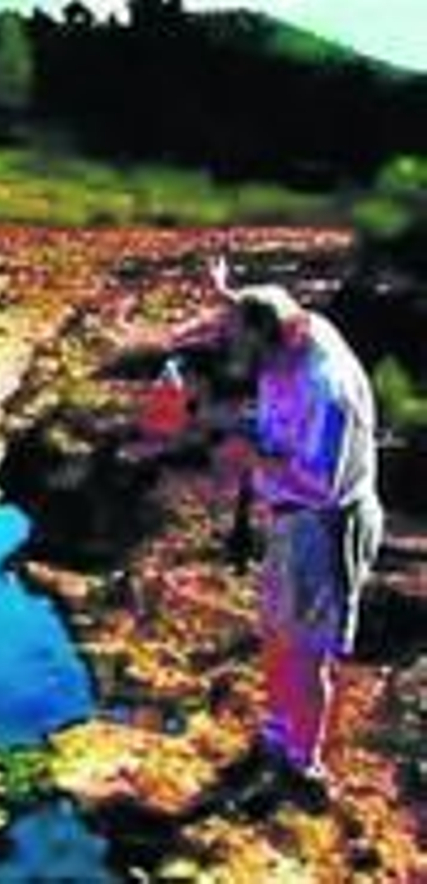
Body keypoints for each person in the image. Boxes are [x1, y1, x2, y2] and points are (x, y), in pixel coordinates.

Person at [210, 257, 384, 807]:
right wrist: (225, 293)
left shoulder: (325, 389)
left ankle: (302, 765)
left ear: (283, 337)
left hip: (323, 528)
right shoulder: (290, 328)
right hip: (291, 523)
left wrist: (250, 455)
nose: (251, 367)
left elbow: (320, 485)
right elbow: (260, 308)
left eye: (256, 353)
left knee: (306, 653)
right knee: (279, 635)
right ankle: (280, 734)